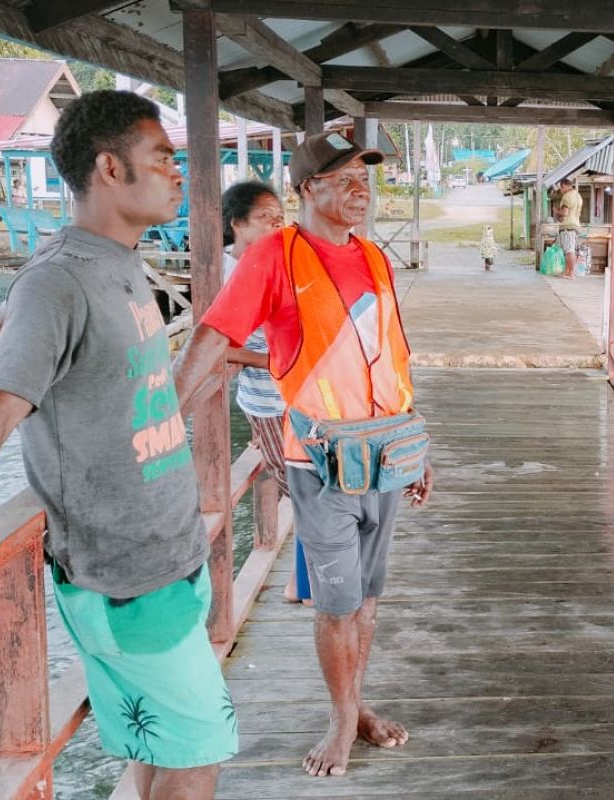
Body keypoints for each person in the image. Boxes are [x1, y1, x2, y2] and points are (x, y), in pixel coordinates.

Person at [0, 91, 236, 800]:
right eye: (161, 159)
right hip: (126, 576)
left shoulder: (114, 261)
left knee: (161, 745)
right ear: (108, 168)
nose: (176, 173)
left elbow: (1, 340)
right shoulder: (59, 279)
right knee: (198, 753)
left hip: (167, 552)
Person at [174, 131, 433, 778]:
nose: (360, 191)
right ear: (308, 188)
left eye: (365, 181)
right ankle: (342, 719)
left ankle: (357, 702)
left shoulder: (375, 257)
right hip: (317, 460)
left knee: (367, 600)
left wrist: (416, 447)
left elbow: (392, 356)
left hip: (384, 453)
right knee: (336, 603)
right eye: (344, 179)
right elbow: (213, 336)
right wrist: (156, 416)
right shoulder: (274, 257)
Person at [219, 181, 312, 605]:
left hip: (294, 398)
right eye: (264, 219)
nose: (277, 226)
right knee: (306, 490)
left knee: (311, 486)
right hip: (269, 402)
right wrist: (278, 362)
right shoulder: (226, 271)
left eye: (280, 218)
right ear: (236, 223)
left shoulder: (271, 262)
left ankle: (304, 581)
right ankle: (303, 584)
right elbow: (219, 345)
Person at [557, 177, 582, 278]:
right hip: (575, 225)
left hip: (568, 226)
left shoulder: (567, 196)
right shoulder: (578, 196)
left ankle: (571, 273)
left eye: (561, 188)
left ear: (564, 186)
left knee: (569, 250)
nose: (561, 191)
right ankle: (567, 272)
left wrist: (556, 212)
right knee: (569, 250)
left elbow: (565, 212)